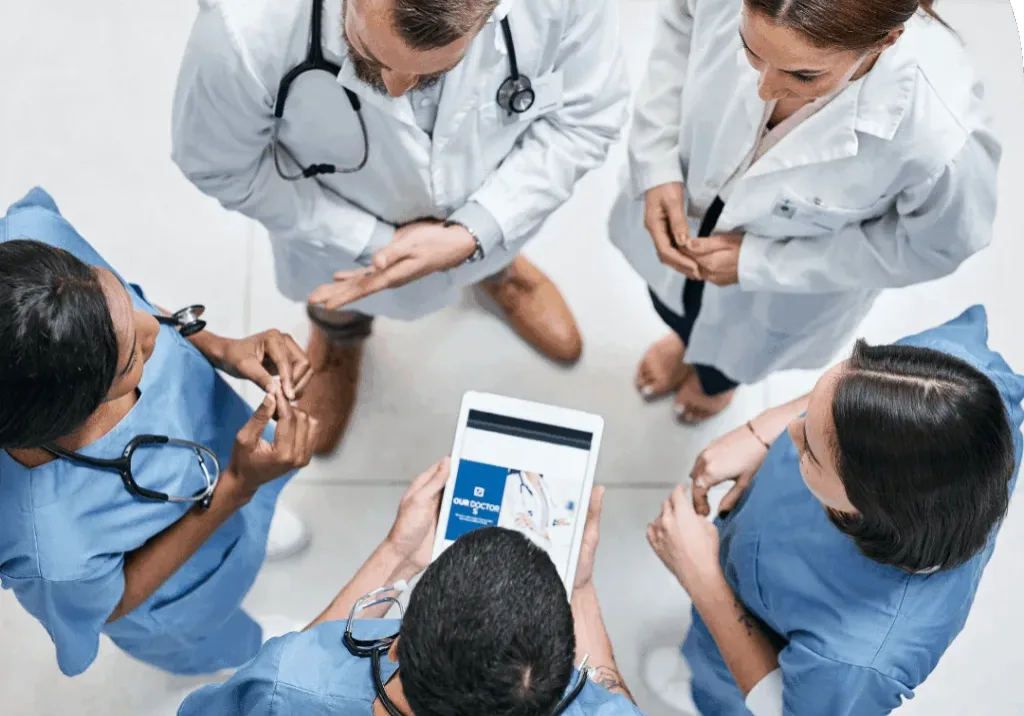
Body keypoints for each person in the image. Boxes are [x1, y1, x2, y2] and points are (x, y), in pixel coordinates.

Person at [171, 0, 631, 455]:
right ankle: (338, 338)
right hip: (335, 234)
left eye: (435, 72)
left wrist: (479, 229)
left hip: (487, 200)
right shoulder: (243, 28)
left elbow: (587, 117)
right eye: (368, 54)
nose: (394, 88)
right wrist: (370, 242)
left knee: (493, 247)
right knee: (340, 297)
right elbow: (221, 166)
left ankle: (497, 274)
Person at [609, 0, 1001, 424]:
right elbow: (679, 25)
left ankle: (714, 384)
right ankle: (686, 342)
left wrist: (761, 263)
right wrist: (657, 162)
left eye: (803, 75)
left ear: (885, 41)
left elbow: (934, 248)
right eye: (749, 49)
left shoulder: (939, 135)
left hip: (775, 295)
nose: (764, 89)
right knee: (676, 306)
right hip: (689, 211)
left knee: (731, 354)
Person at [0, 187, 320, 677]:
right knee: (219, 641)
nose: (154, 327)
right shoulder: (53, 548)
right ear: (75, 407)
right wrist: (236, 485)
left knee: (246, 525)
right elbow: (114, 602)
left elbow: (132, 312)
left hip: (216, 455)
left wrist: (219, 346)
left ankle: (244, 530)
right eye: (133, 356)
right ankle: (248, 653)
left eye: (121, 300)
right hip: (178, 593)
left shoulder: (30, 256)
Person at [642, 306, 1023, 715]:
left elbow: (787, 707)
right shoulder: (952, 377)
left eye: (809, 449)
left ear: (864, 506)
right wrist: (762, 431)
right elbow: (849, 389)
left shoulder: (860, 661)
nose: (789, 433)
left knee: (719, 684)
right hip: (754, 557)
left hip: (755, 651)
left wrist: (707, 586)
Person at [177, 459, 643, 716]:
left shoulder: (290, 687)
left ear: (397, 645)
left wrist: (397, 554)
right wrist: (581, 590)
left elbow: (299, 664)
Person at [498, 469, 557, 550]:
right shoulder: (511, 482)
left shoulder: (546, 486)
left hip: (543, 549)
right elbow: (512, 525)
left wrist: (538, 529)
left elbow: (559, 526)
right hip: (521, 549)